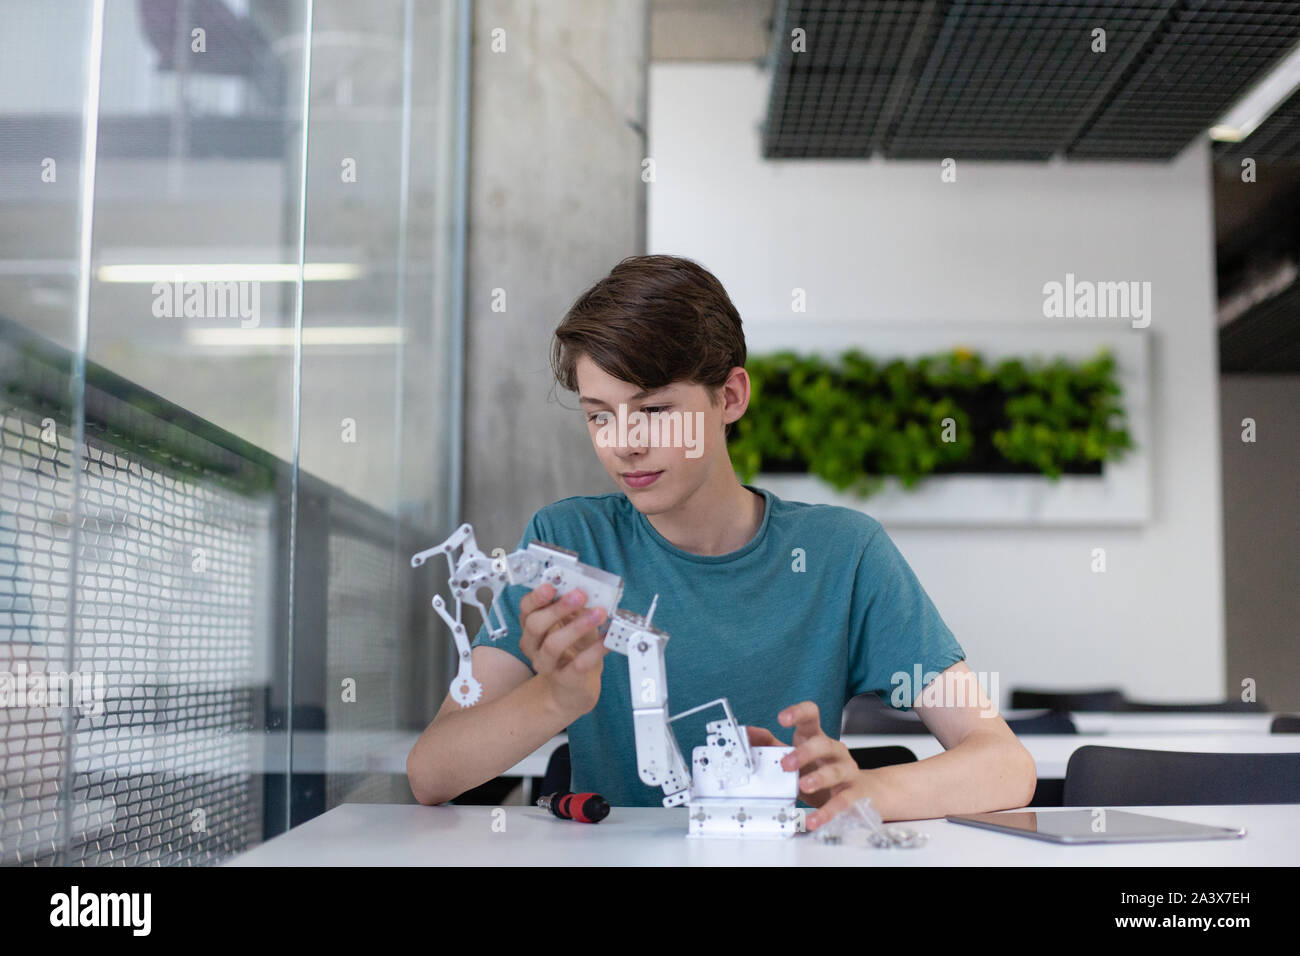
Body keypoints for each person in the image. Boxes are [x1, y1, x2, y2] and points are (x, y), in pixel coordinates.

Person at [407, 255, 1036, 827]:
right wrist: (555, 698)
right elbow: (432, 774)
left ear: (729, 397)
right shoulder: (567, 543)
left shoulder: (845, 554)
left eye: (653, 410)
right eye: (600, 414)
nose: (623, 443)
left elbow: (1004, 765)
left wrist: (861, 790)